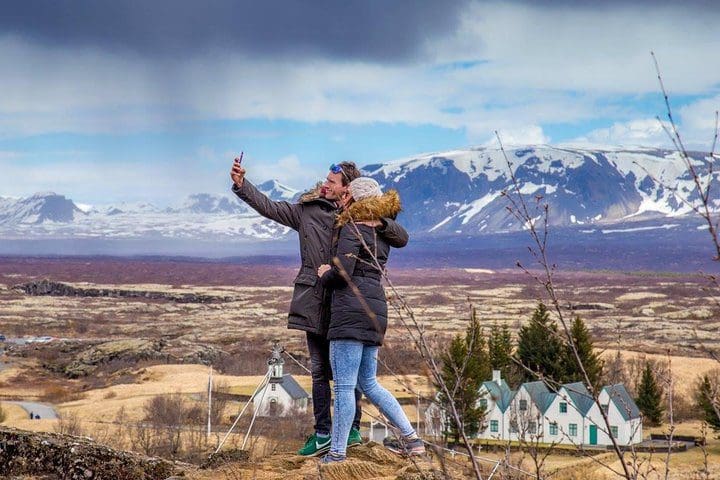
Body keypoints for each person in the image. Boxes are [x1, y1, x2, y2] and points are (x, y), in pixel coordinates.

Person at [230, 157, 409, 456]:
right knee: (318, 372)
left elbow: (401, 237)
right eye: (325, 179)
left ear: (347, 190)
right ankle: (323, 432)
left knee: (347, 375)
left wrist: (380, 221)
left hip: (345, 303)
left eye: (331, 182)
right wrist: (242, 185)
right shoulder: (308, 211)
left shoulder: (362, 217)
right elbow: (271, 208)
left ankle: (350, 432)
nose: (324, 184)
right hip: (315, 301)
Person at [316, 177, 424, 463]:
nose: (344, 196)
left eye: (348, 193)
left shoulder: (353, 227)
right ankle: (412, 439)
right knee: (369, 382)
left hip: (350, 313)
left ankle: (337, 453)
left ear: (356, 199)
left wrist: (324, 273)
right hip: (375, 312)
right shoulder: (380, 230)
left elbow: (343, 273)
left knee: (343, 387)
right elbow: (403, 237)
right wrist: (382, 222)